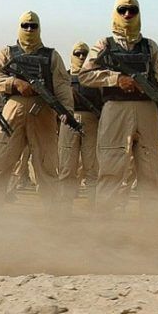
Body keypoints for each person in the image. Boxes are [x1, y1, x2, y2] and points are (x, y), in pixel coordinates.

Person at [79, 0, 158, 214]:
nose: (127, 14)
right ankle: (104, 222)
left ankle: (153, 224)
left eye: (132, 10)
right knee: (111, 167)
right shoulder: (104, 44)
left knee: (152, 171)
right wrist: (116, 79)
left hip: (147, 111)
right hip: (116, 108)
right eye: (122, 10)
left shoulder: (150, 47)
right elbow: (85, 75)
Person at [0, 11, 73, 210]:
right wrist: (14, 83)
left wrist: (66, 111)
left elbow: (62, 86)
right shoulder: (7, 53)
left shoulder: (52, 56)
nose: (29, 29)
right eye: (25, 25)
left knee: (47, 166)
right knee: (0, 162)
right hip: (13, 108)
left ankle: (52, 213)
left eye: (33, 26)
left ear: (39, 28)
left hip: (43, 110)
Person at [57, 41, 103, 213]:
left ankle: (93, 208)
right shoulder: (64, 78)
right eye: (78, 53)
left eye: (84, 53)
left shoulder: (95, 77)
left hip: (92, 122)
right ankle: (65, 208)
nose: (82, 56)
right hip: (68, 122)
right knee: (67, 167)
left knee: (92, 168)